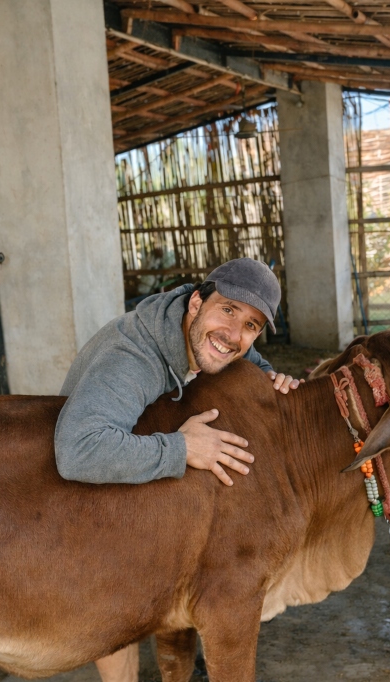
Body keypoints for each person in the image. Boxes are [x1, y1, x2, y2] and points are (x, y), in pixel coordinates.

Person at [54, 257, 299, 682]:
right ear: (196, 302)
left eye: (252, 324)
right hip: (92, 492)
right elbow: (78, 451)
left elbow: (246, 356)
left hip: (145, 473)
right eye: (228, 310)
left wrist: (270, 378)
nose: (234, 334)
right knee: (119, 596)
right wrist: (180, 448)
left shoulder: (217, 337)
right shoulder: (133, 358)